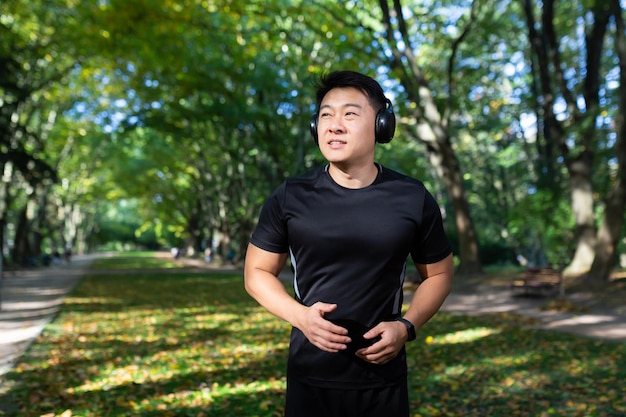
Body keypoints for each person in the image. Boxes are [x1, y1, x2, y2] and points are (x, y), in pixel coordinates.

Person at [244, 70, 454, 417]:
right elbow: (256, 272)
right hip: (310, 378)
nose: (334, 124)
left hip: (382, 382)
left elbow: (440, 274)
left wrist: (407, 326)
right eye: (326, 114)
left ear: (382, 125)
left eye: (350, 114)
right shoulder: (290, 195)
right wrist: (301, 317)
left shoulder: (412, 196)